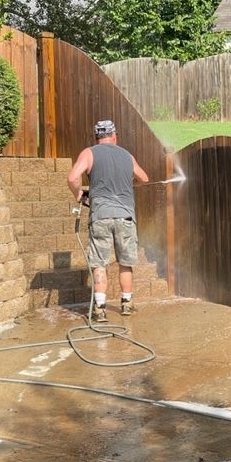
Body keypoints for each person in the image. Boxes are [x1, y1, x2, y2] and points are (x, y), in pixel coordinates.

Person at [67, 120, 149, 321]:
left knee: (99, 264)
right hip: (125, 216)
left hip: (100, 215)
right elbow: (144, 178)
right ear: (114, 136)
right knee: (125, 262)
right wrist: (129, 183)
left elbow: (72, 177)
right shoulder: (126, 155)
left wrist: (78, 193)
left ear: (96, 137)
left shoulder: (89, 153)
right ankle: (127, 304)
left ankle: (100, 309)